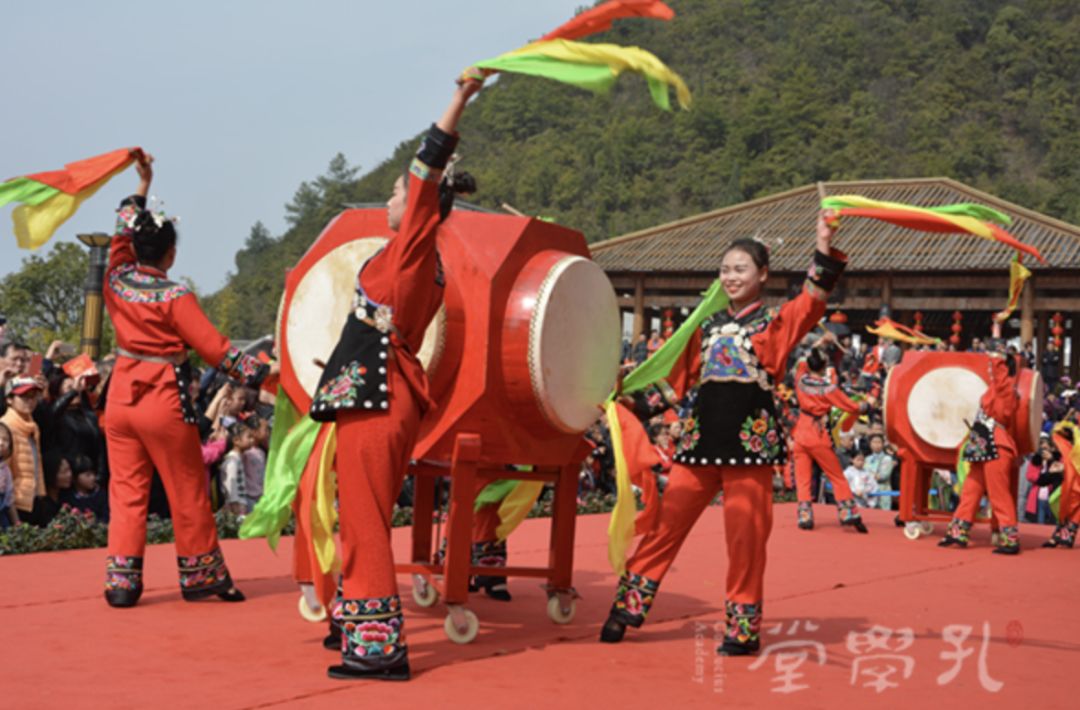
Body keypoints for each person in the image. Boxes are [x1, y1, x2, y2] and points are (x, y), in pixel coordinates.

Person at [601, 211, 848, 656]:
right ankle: (628, 607)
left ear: (763, 274)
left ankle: (742, 628)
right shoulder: (707, 327)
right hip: (698, 445)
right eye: (725, 270)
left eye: (740, 269)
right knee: (665, 527)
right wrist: (626, 404)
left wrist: (823, 243)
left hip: (750, 448)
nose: (731, 277)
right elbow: (674, 384)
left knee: (746, 537)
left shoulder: (775, 322)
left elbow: (812, 300)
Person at [309, 70, 483, 681]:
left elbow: (425, 169)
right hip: (383, 392)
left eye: (395, 193)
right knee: (360, 511)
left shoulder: (412, 248)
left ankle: (379, 647)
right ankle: (357, 623)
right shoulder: (415, 259)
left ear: (417, 208)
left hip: (378, 397)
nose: (388, 200)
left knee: (361, 517)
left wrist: (458, 99)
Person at [100, 150, 270, 607]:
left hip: (119, 399)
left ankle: (122, 583)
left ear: (134, 247)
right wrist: (263, 370)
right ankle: (200, 578)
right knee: (187, 487)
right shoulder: (174, 294)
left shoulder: (115, 279)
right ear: (171, 254)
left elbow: (121, 231)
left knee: (127, 491)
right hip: (161, 400)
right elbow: (216, 350)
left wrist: (141, 185)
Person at [939, 353, 1023, 554]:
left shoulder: (1007, 389)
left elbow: (1001, 377)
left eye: (993, 368)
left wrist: (997, 359)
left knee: (998, 494)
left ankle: (1011, 539)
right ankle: (958, 532)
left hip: (997, 444)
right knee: (971, 489)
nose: (989, 371)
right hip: (982, 443)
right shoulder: (996, 389)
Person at [790, 344, 872, 532]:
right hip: (817, 434)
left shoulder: (800, 380)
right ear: (824, 366)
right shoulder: (828, 388)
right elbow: (850, 406)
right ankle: (847, 513)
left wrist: (818, 345)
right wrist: (865, 406)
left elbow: (802, 361)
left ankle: (805, 516)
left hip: (800, 432)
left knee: (803, 477)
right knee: (836, 475)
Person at [1, 376, 44, 524]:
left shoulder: (32, 425)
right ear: (9, 399)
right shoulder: (5, 427)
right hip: (13, 503)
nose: (30, 401)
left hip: (33, 497)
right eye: (24, 396)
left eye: (33, 396)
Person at [65, 453, 109, 522]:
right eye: (88, 475)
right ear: (75, 478)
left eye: (93, 473)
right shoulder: (68, 496)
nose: (93, 478)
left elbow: (107, 517)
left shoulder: (101, 495)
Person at [865, 433, 896, 510]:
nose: (876, 445)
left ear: (883, 444)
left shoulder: (887, 459)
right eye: (874, 442)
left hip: (883, 491)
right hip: (870, 491)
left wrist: (870, 476)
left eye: (879, 442)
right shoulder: (867, 459)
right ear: (870, 444)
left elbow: (883, 476)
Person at [0, 422, 21, 528]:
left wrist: (18, 525)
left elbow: (9, 501)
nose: (1, 443)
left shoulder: (6, 470)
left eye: (6, 440)